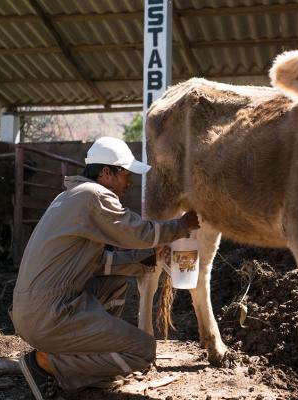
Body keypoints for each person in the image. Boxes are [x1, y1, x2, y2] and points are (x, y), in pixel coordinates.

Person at [11, 137, 199, 399]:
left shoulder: (71, 197)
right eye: (125, 174)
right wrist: (180, 225)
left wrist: (149, 257)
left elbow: (101, 264)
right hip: (49, 314)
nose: (129, 182)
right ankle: (46, 364)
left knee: (115, 283)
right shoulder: (94, 195)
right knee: (143, 350)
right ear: (106, 173)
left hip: (33, 310)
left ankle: (86, 369)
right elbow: (137, 231)